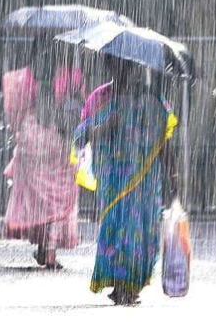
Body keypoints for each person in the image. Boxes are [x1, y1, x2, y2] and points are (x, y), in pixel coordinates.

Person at [75, 56, 177, 304]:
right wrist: (106, 126)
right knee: (118, 231)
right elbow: (81, 136)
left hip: (145, 182)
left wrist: (173, 177)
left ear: (138, 67)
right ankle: (122, 284)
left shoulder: (153, 101)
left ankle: (131, 283)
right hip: (112, 181)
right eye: (117, 66)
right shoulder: (99, 99)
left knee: (142, 232)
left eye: (129, 66)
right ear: (108, 67)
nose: (124, 71)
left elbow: (165, 141)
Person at [2, 59, 84, 269]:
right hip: (58, 140)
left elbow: (15, 119)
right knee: (57, 202)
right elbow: (81, 110)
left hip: (34, 142)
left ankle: (42, 248)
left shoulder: (22, 80)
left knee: (40, 201)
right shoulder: (71, 78)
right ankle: (49, 251)